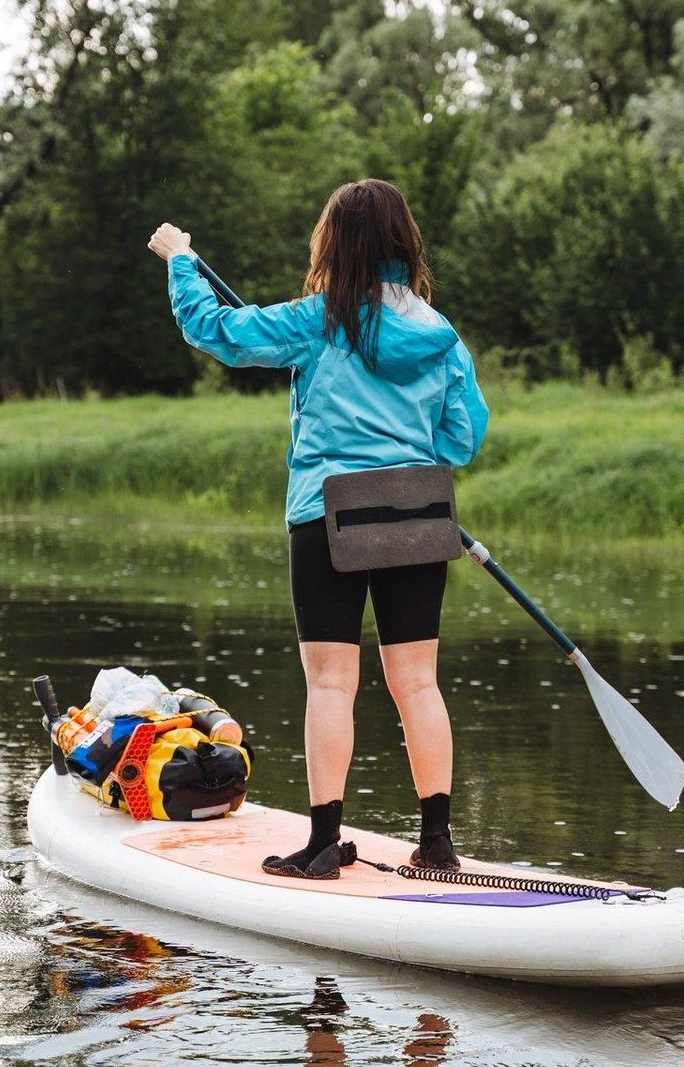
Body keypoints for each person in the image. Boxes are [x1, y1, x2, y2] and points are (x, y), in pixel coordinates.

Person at [147, 179, 489, 879]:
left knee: (332, 684)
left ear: (334, 245)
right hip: (420, 516)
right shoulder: (441, 334)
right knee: (418, 683)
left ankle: (324, 842)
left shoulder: (318, 321)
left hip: (329, 516)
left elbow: (216, 331)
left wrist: (181, 260)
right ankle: (438, 842)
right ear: (404, 244)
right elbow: (461, 440)